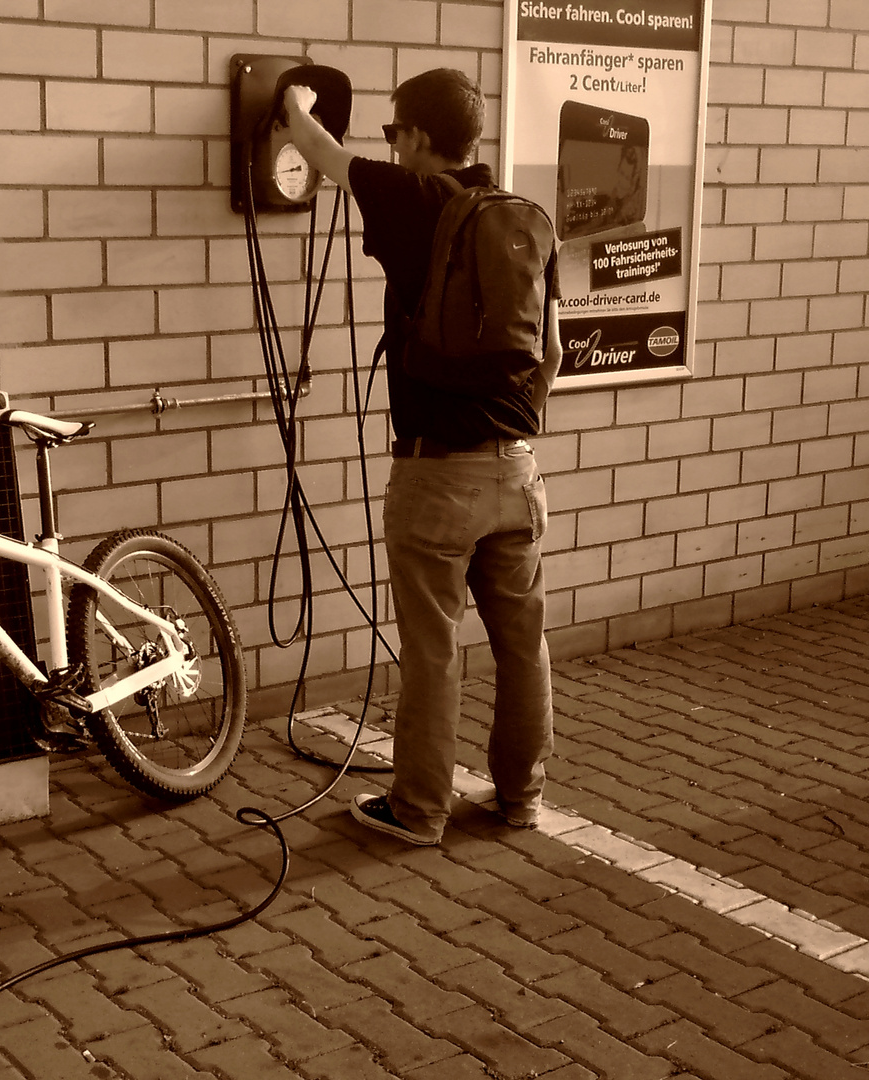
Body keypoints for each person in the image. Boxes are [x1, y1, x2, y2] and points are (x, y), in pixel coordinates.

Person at [283, 68, 562, 845]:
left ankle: (418, 811)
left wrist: (290, 99)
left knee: (435, 651)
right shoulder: (521, 217)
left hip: (436, 474)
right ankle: (522, 798)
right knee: (523, 644)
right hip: (517, 466)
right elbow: (554, 349)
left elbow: (315, 149)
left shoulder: (410, 200)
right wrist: (514, 428)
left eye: (393, 132)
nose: (389, 145)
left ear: (415, 138)